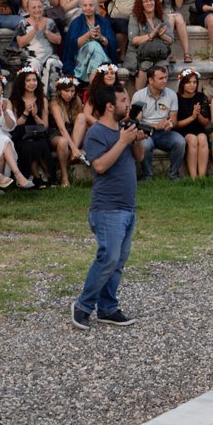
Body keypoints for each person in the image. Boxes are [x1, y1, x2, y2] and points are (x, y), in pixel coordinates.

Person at [71, 82, 145, 329]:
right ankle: (82, 306)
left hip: (128, 206)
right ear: (110, 106)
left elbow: (139, 158)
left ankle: (107, 308)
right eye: (123, 100)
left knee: (118, 260)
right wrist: (124, 141)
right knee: (108, 257)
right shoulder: (96, 133)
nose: (128, 104)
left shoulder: (124, 129)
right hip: (106, 207)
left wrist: (136, 140)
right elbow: (100, 166)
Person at [131, 64, 185, 181]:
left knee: (180, 142)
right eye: (161, 78)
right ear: (150, 80)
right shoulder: (139, 96)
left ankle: (174, 175)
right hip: (145, 132)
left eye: (165, 77)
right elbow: (137, 122)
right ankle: (147, 176)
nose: (164, 81)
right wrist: (156, 125)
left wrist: (171, 123)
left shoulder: (171, 94)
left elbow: (174, 119)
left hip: (165, 132)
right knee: (145, 145)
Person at [10, 66, 57, 186]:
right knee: (28, 146)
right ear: (22, 82)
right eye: (28, 80)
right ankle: (37, 178)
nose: (32, 83)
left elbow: (45, 126)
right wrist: (26, 113)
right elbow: (15, 125)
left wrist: (35, 116)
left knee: (41, 145)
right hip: (22, 134)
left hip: (39, 132)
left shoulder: (43, 100)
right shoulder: (15, 100)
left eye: (34, 80)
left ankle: (52, 177)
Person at [63, 0, 119, 80]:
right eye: (85, 5)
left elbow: (111, 45)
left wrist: (101, 37)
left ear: (96, 6)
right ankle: (101, 81)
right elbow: (72, 45)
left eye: (91, 5)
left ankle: (94, 88)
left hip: (100, 55)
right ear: (81, 7)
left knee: (95, 57)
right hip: (81, 56)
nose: (88, 8)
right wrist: (87, 35)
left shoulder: (104, 22)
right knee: (94, 44)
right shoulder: (76, 22)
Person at [125, 0, 174, 90]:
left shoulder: (162, 17)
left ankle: (160, 96)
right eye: (146, 1)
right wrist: (150, 35)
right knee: (145, 65)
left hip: (158, 52)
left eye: (151, 0)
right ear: (141, 5)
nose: (149, 3)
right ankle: (138, 98)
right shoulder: (135, 18)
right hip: (140, 53)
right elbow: (133, 40)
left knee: (163, 67)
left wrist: (162, 36)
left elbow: (170, 40)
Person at [173, 67, 211, 179]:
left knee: (203, 139)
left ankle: (202, 176)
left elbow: (205, 123)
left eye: (194, 82)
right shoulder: (176, 98)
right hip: (182, 130)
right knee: (192, 139)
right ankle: (193, 176)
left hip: (198, 129)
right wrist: (192, 117)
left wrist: (198, 115)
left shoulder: (201, 97)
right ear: (182, 84)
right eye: (188, 82)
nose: (192, 85)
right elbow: (176, 125)